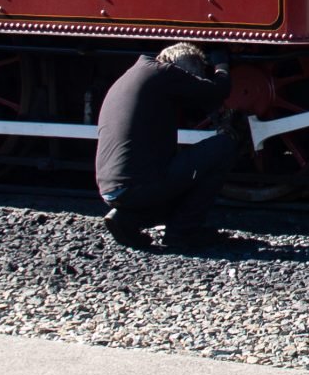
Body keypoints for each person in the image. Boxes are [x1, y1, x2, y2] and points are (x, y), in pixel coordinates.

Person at [94, 43, 240, 251]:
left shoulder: (134, 74)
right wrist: (221, 64)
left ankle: (127, 218)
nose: (192, 84)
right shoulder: (166, 72)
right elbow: (217, 91)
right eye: (195, 76)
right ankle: (183, 232)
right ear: (184, 67)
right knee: (223, 146)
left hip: (113, 188)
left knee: (179, 173)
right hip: (139, 185)